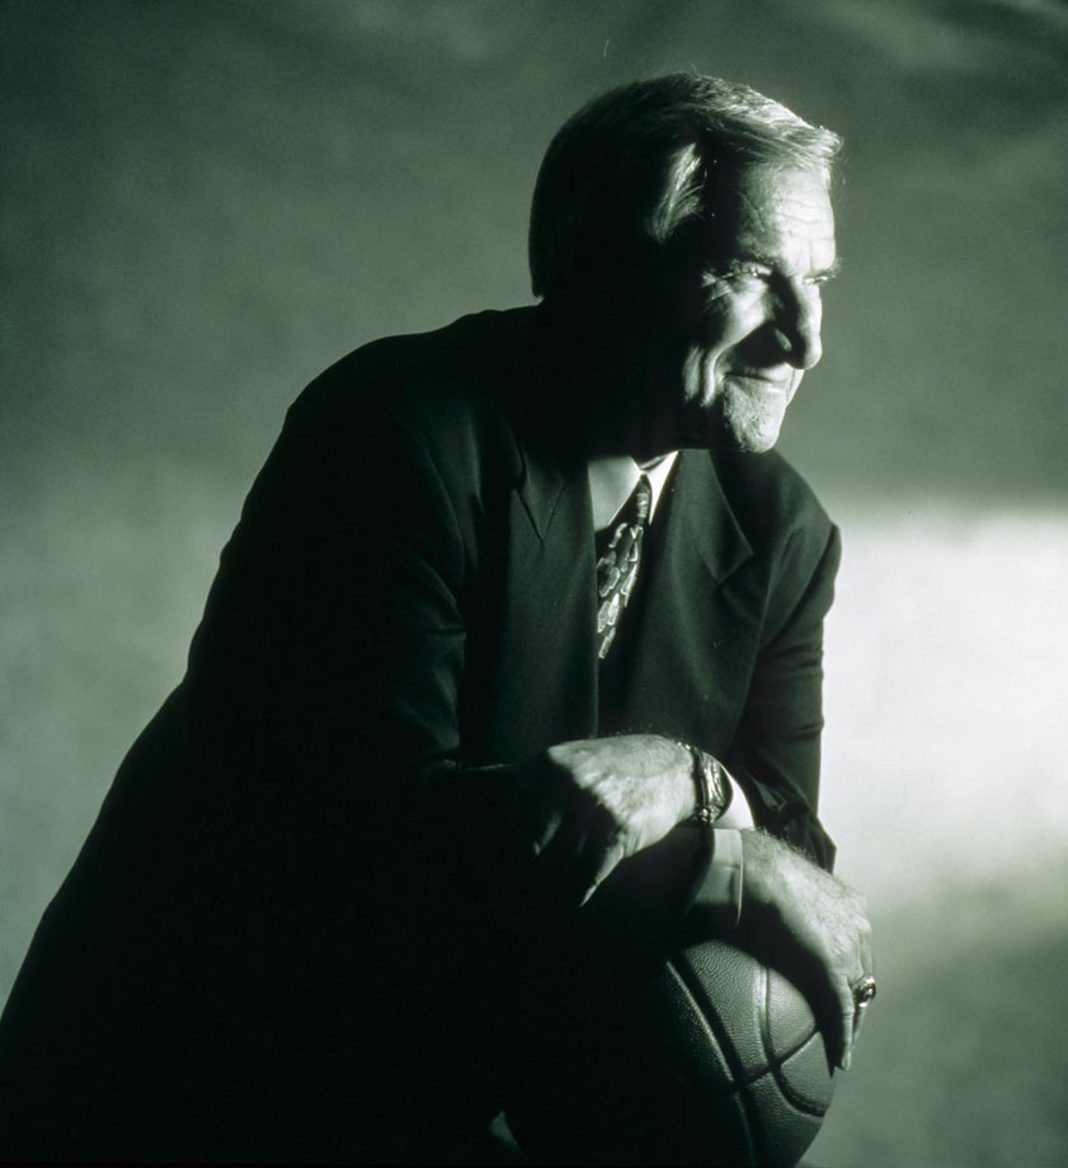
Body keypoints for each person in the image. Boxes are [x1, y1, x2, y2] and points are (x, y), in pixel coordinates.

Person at [0, 73, 874, 1162]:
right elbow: (374, 846)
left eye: (818, 281)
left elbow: (800, 864)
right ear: (604, 260)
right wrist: (720, 845)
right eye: (751, 273)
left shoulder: (783, 533)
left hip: (423, 1096)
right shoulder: (396, 433)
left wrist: (688, 788)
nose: (806, 339)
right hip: (180, 1075)